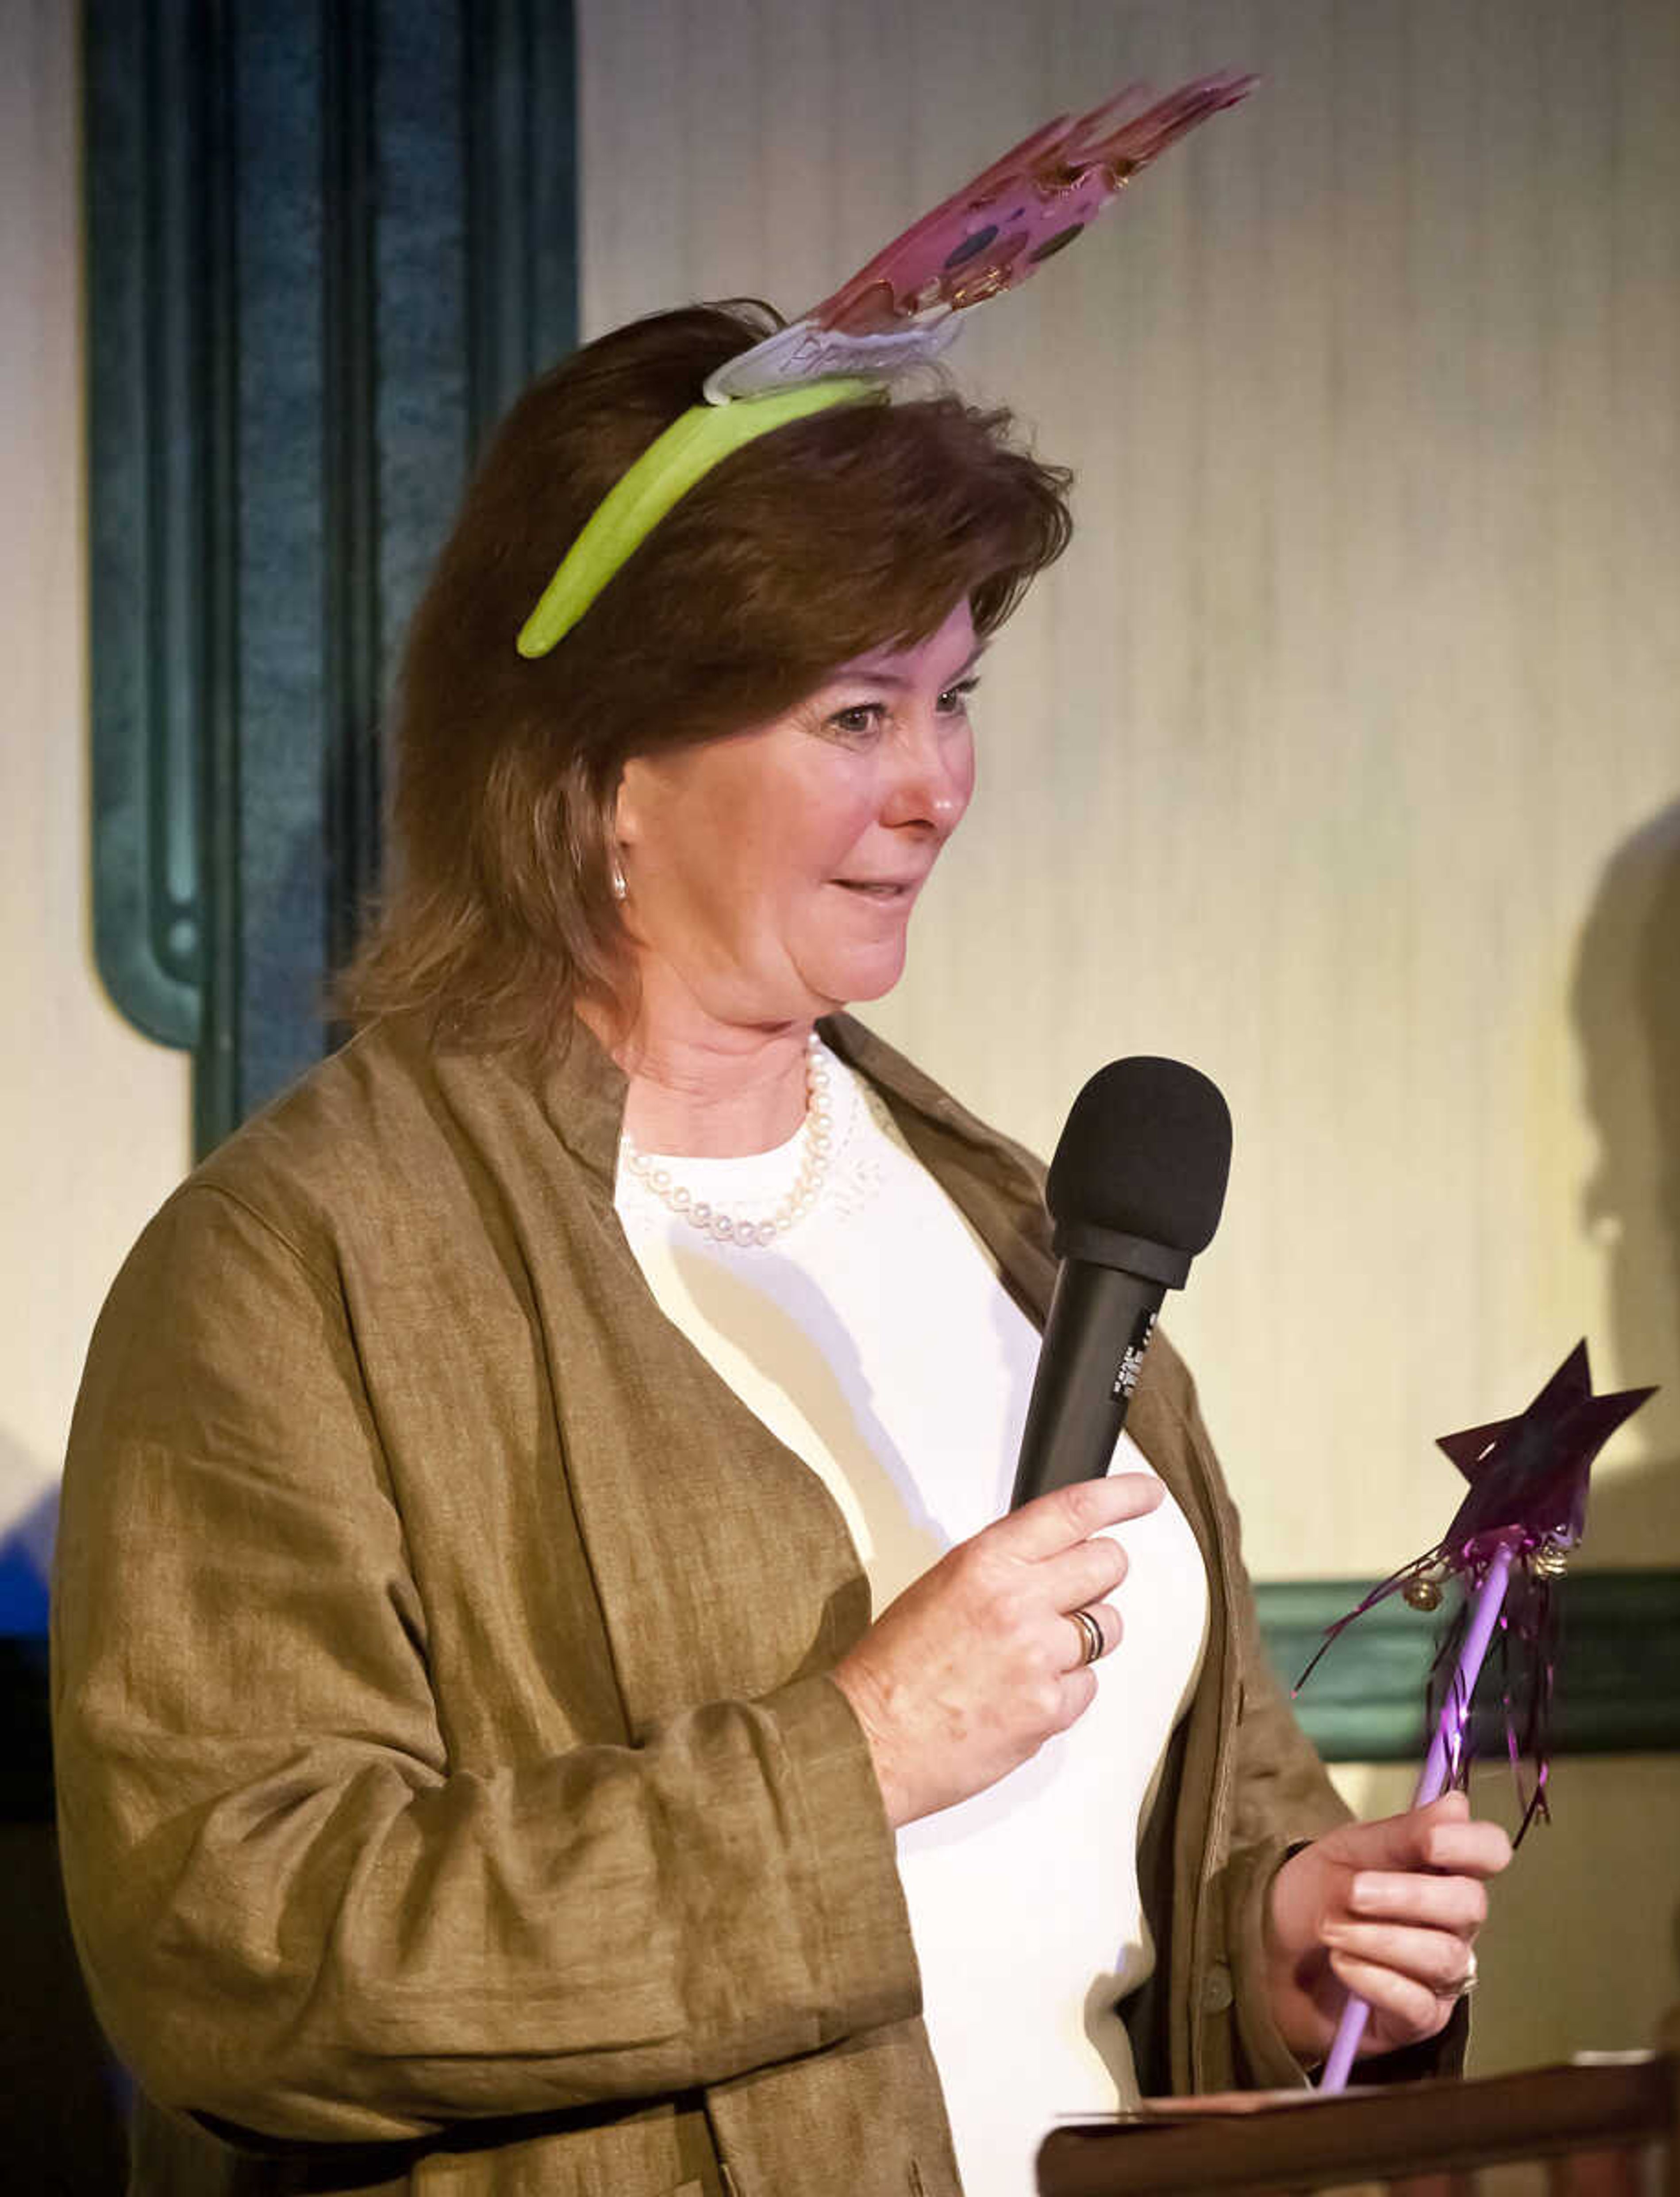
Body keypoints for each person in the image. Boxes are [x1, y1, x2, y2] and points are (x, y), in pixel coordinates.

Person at [54, 300, 1511, 2197]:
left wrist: (1283, 1936)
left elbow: (1153, 1862)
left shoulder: (1008, 1223)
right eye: (857, 714)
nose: (938, 786)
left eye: (956, 696)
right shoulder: (292, 1273)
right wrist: (862, 1753)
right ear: (602, 768)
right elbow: (238, 1955)